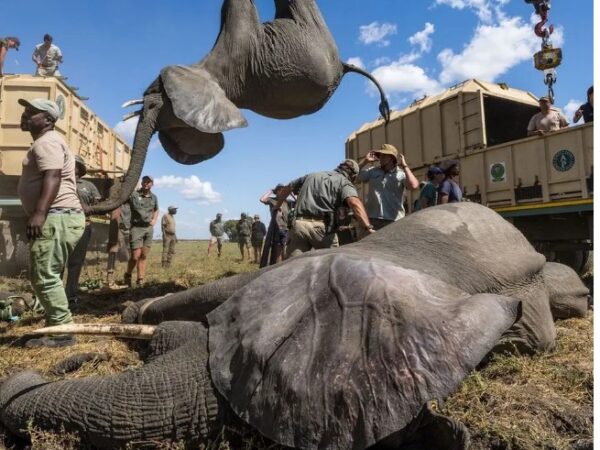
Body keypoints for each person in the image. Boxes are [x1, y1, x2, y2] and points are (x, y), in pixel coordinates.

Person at [17, 97, 84, 347]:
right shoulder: (46, 142)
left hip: (57, 215)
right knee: (47, 275)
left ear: (48, 119)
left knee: (45, 276)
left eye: (32, 113)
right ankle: (56, 325)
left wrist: (40, 212)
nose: (25, 116)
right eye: (25, 112)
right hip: (59, 215)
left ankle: (62, 333)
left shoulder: (47, 142)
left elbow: (53, 176)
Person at [275, 159, 375, 258]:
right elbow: (354, 203)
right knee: (331, 263)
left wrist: (277, 206)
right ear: (353, 176)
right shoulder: (344, 182)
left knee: (294, 265)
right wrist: (367, 227)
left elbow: (288, 188)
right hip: (322, 229)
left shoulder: (312, 175)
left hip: (298, 226)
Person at [356, 143, 419, 230]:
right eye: (380, 156)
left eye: (383, 156)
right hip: (373, 219)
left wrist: (405, 166)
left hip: (394, 220)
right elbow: (354, 175)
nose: (380, 159)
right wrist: (365, 161)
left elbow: (414, 186)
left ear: (391, 158)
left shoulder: (401, 174)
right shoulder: (373, 171)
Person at [65, 155, 101, 304]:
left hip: (83, 226)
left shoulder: (89, 186)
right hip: (63, 225)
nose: (72, 167)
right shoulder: (61, 182)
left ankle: (71, 295)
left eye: (75, 165)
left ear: (80, 168)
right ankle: (56, 295)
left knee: (75, 262)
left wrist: (90, 209)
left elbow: (98, 205)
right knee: (58, 262)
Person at [124, 175, 158, 287]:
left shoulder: (154, 197)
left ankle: (140, 279)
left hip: (148, 228)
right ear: (142, 183)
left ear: (152, 184)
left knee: (143, 255)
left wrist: (154, 220)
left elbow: (156, 209)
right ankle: (128, 274)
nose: (146, 183)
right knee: (135, 256)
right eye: (144, 181)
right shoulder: (134, 195)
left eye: (148, 182)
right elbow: (123, 200)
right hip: (136, 228)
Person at [259, 184, 291, 264]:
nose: (283, 192)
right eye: (281, 190)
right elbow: (262, 199)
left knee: (286, 251)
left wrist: (290, 193)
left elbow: (298, 200)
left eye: (284, 190)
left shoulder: (286, 201)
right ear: (277, 192)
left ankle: (284, 268)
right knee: (279, 252)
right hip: (278, 228)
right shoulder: (272, 200)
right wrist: (270, 191)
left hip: (287, 228)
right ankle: (278, 268)